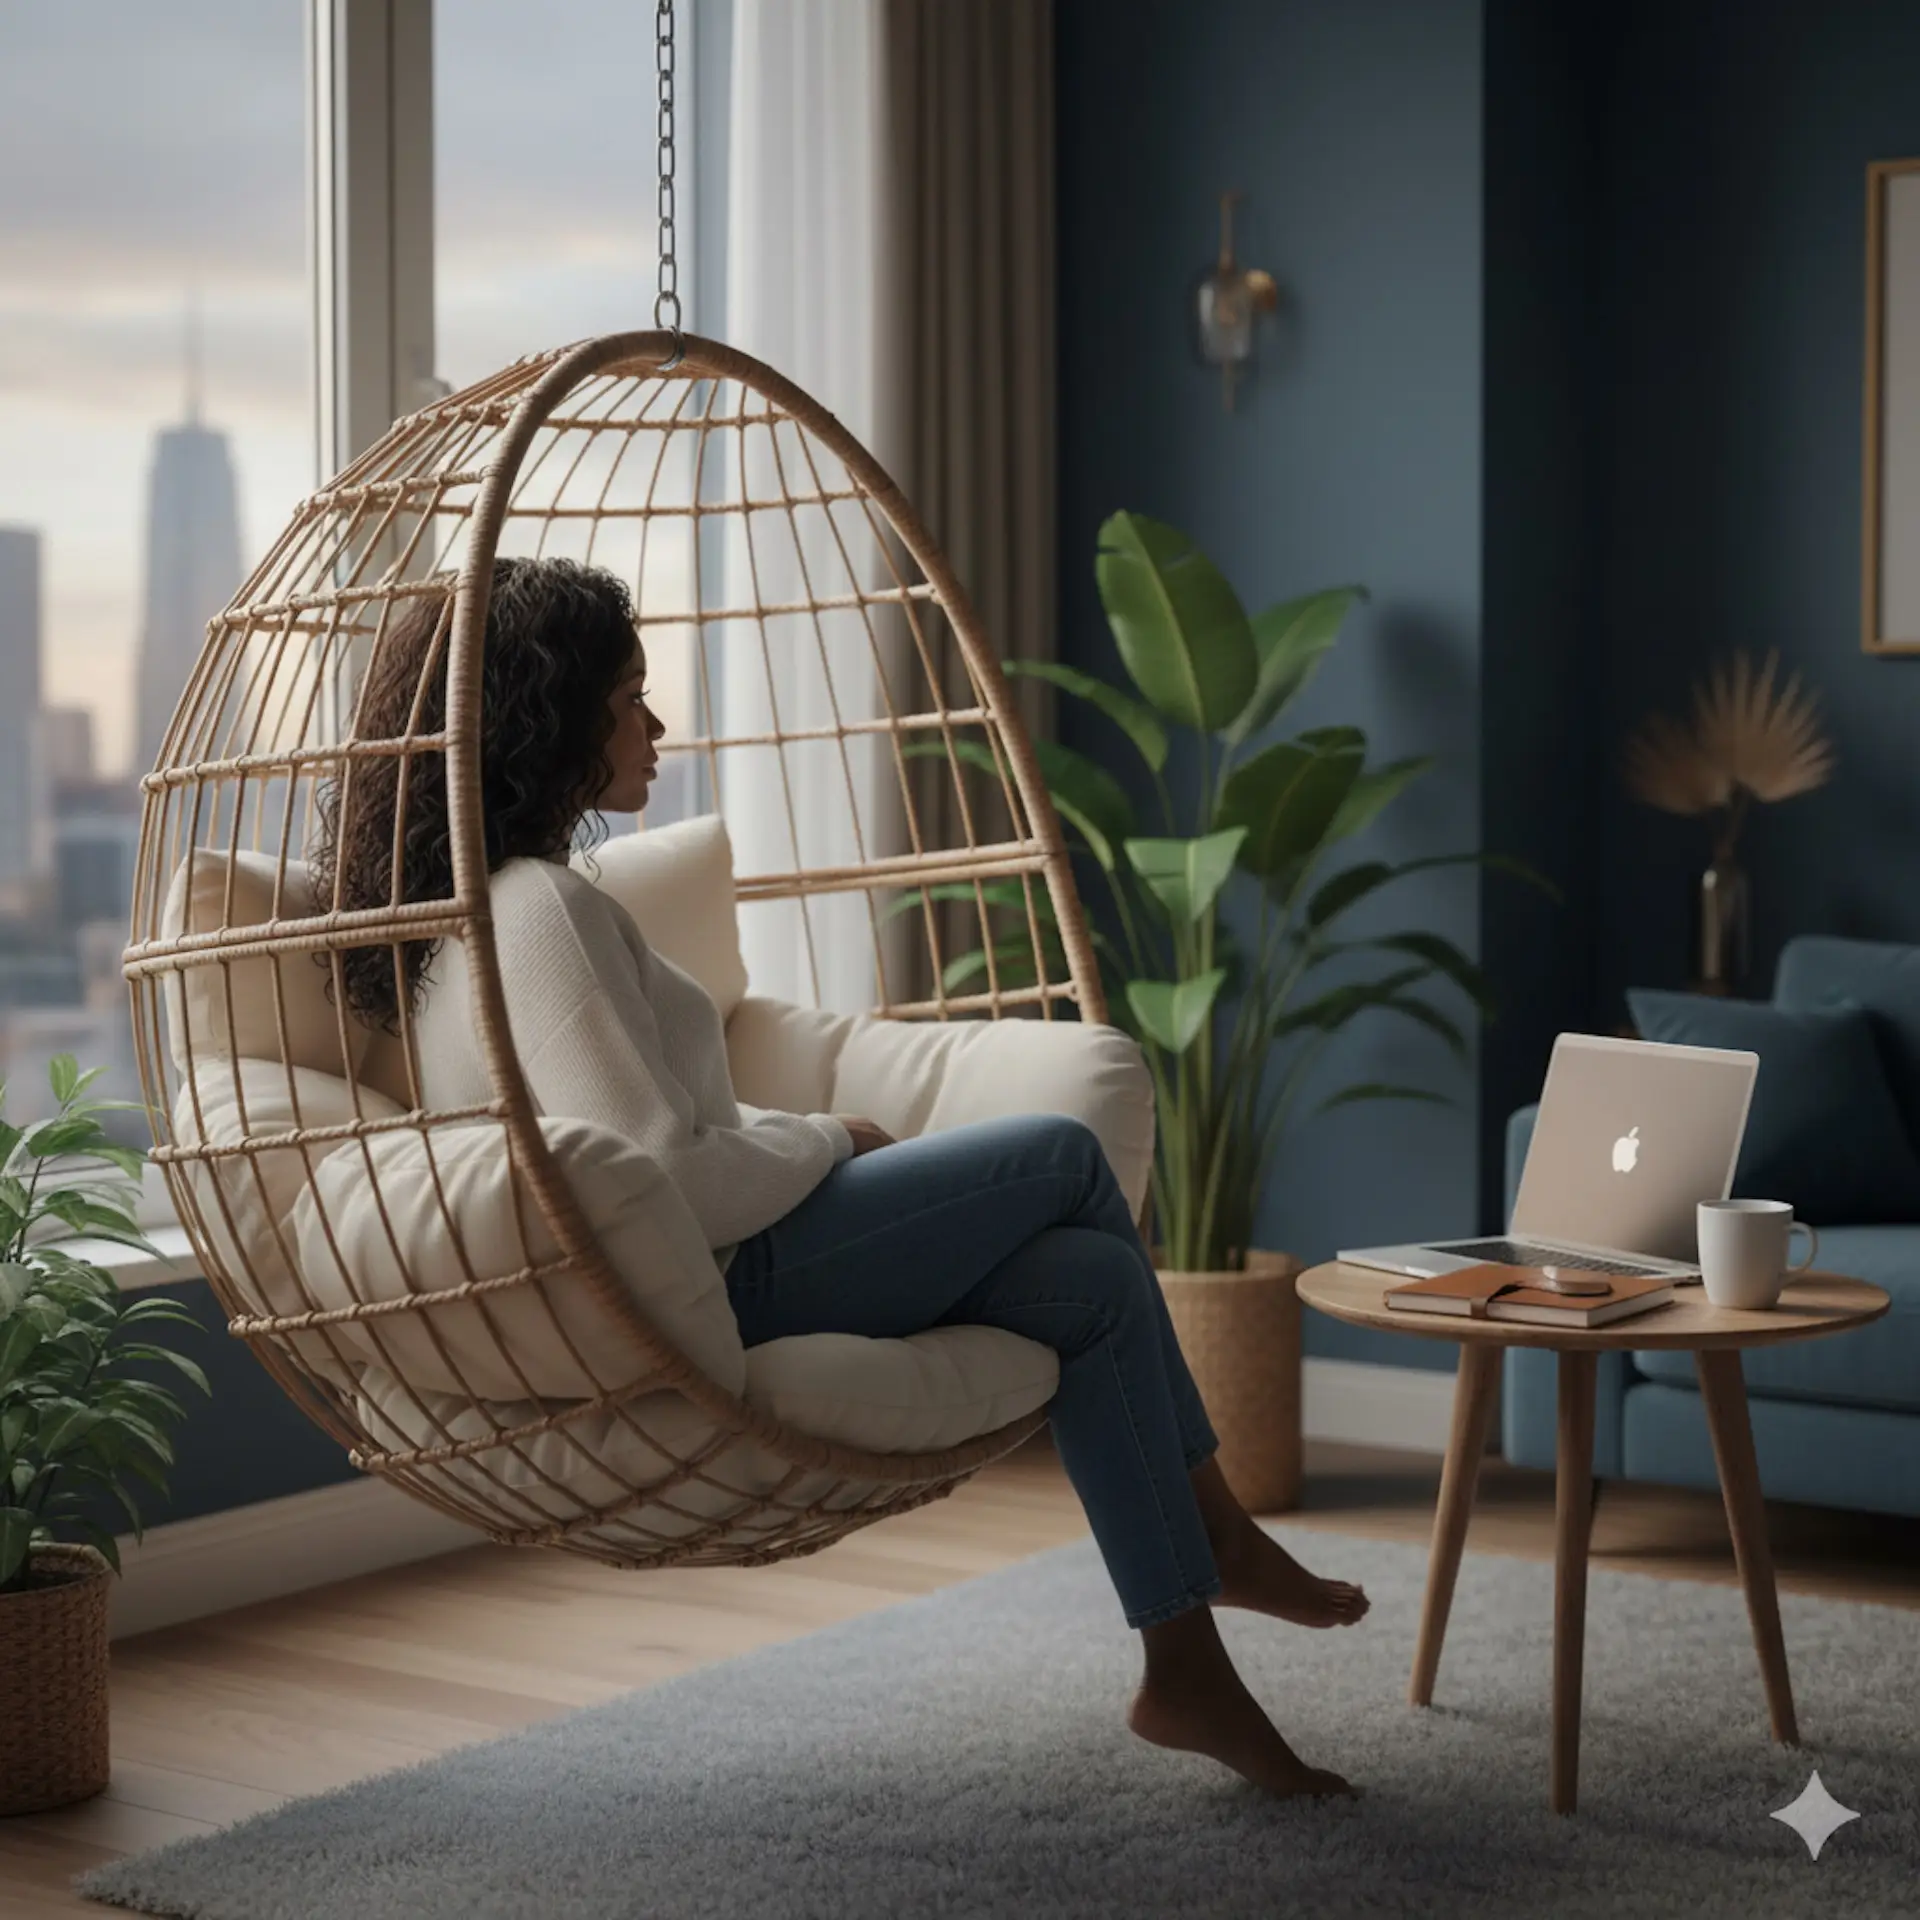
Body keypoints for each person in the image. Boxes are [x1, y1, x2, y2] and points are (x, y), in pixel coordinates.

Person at [314, 555, 1371, 1798]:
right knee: (1063, 1153)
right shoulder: (536, 910)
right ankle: (1223, 1536)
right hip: (725, 1282)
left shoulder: (493, 910)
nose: (656, 727)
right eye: (631, 697)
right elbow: (655, 1178)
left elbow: (660, 1124)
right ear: (549, 716)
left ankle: (1185, 1665)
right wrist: (825, 1141)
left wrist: (805, 1129)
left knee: (1088, 1277)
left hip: (719, 1255)